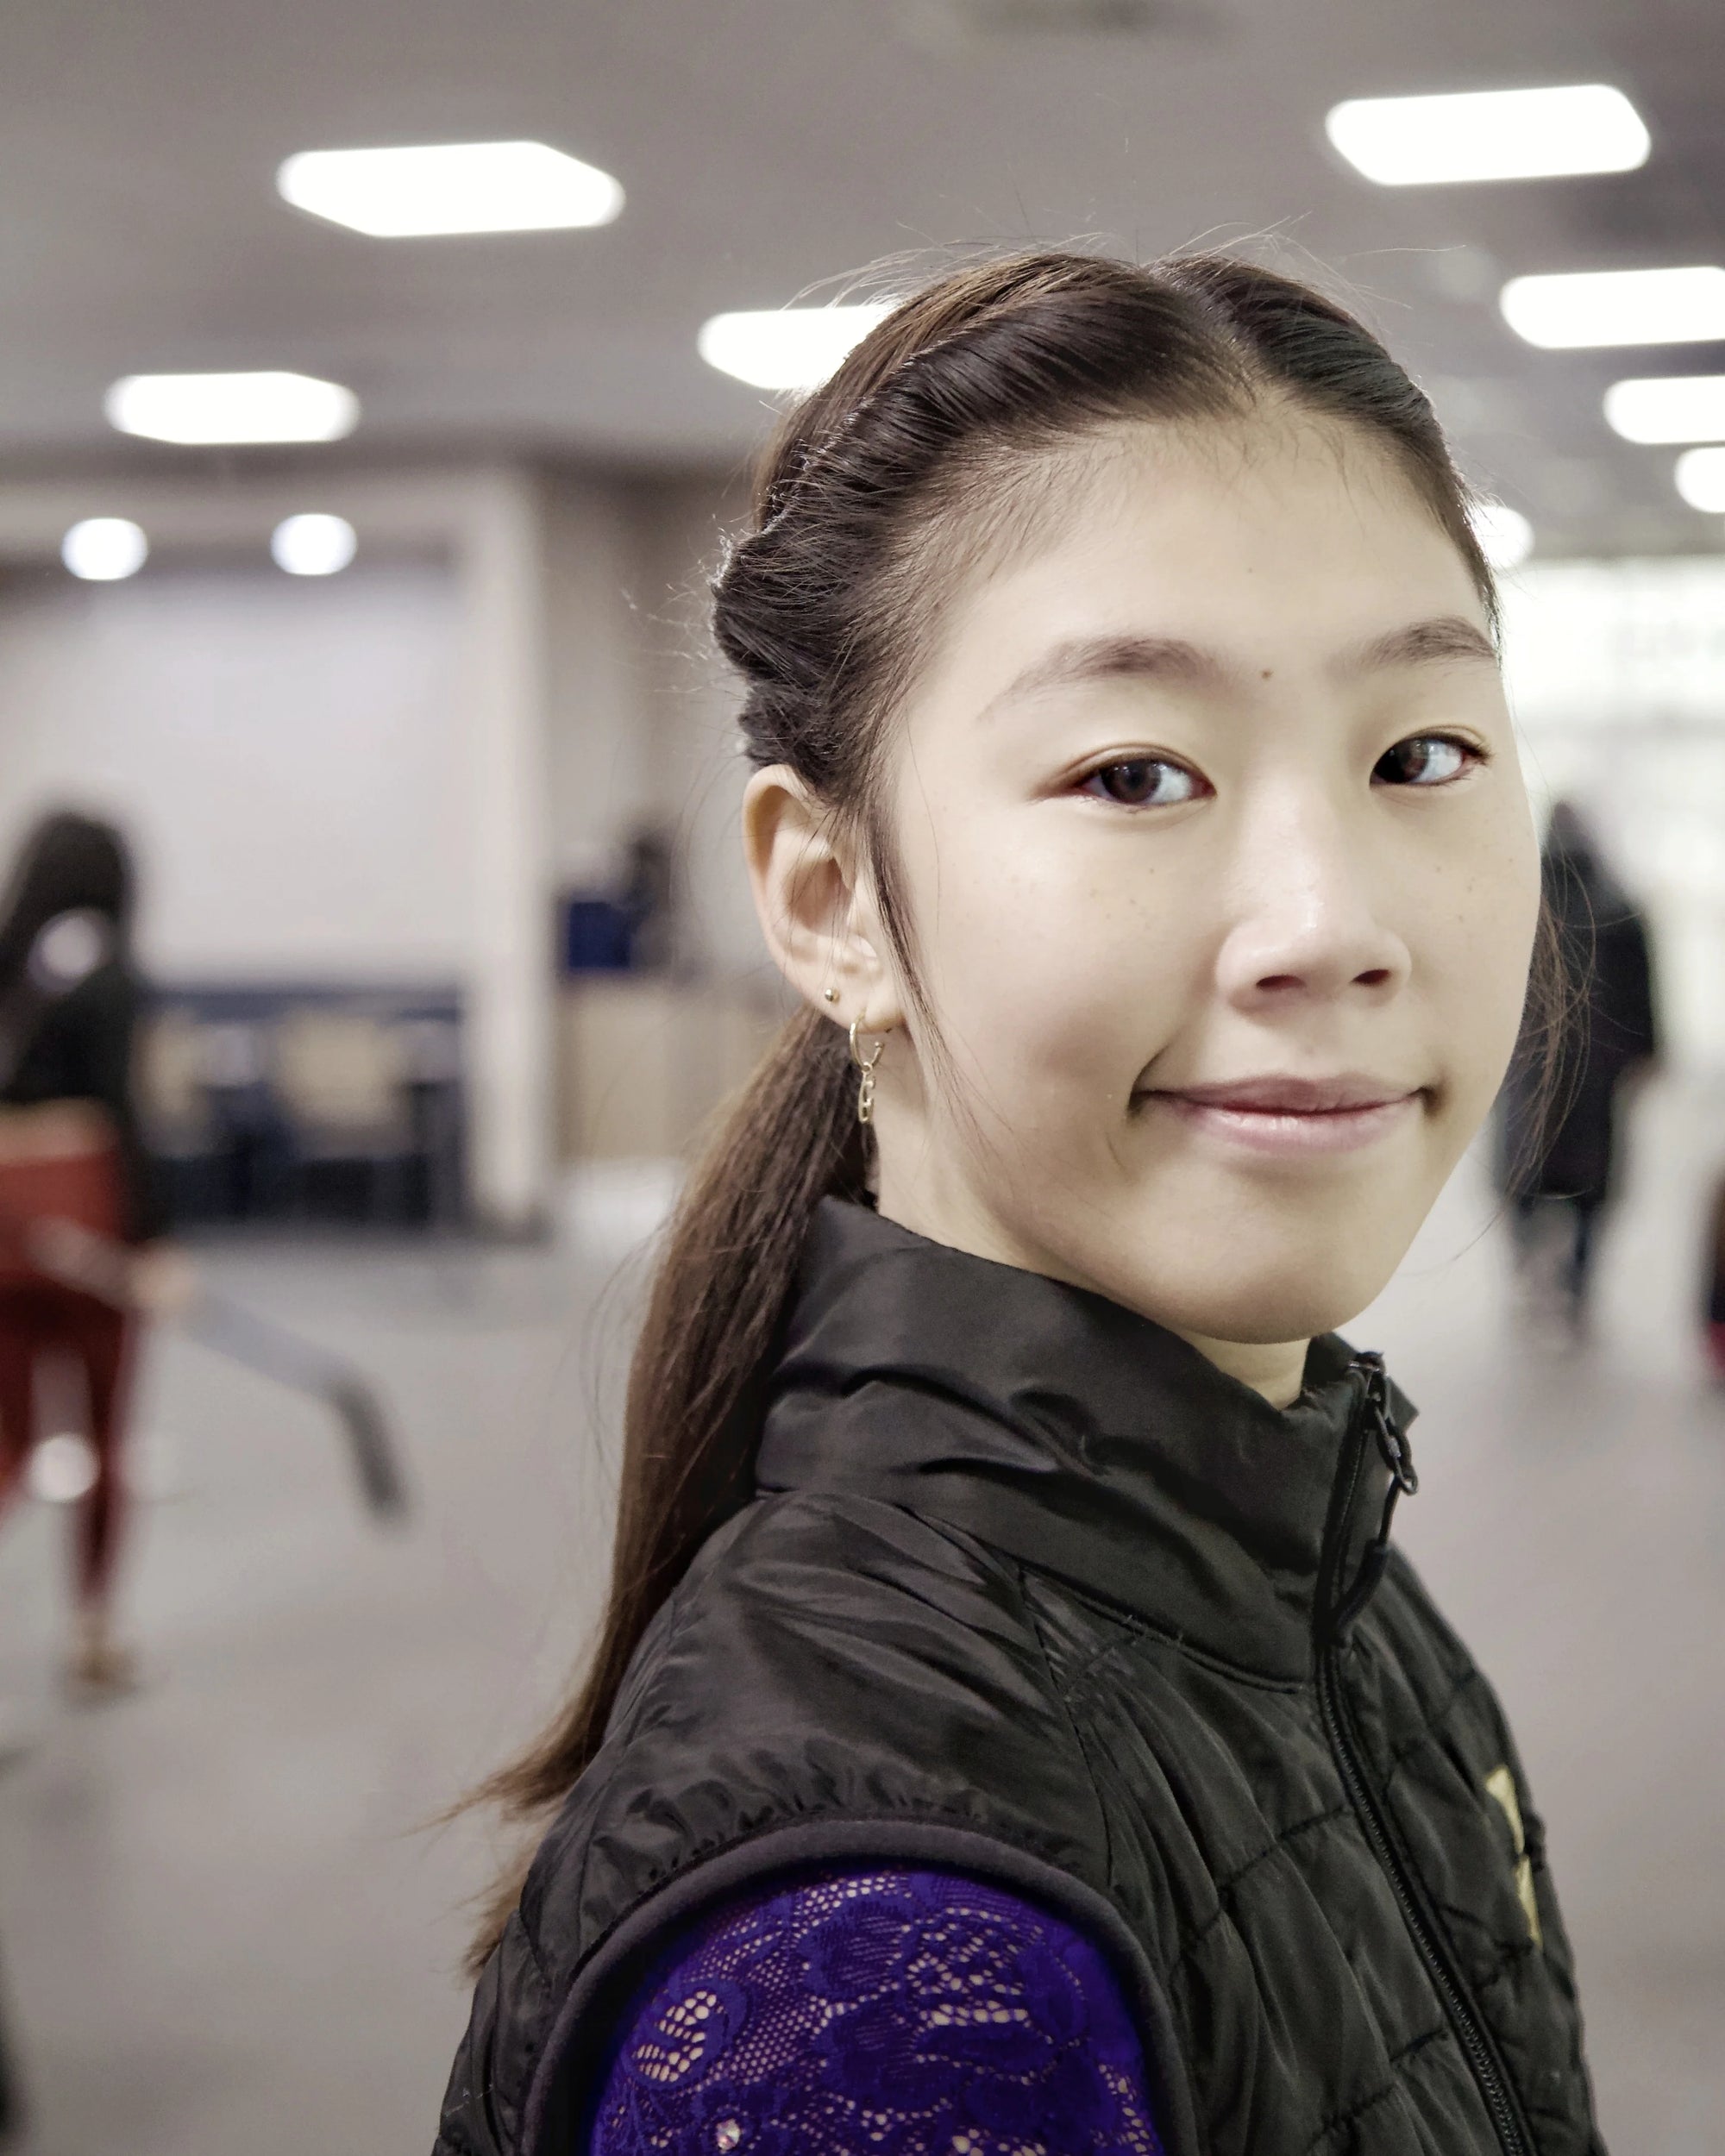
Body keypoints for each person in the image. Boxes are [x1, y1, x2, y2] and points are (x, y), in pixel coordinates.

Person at [436, 252, 1601, 2156]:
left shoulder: (1299, 1571)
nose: (1332, 924)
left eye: (1420, 753)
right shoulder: (882, 1973)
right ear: (829, 898)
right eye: (1136, 771)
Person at [0, 811, 179, 1695]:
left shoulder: (8, 964)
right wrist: (156, 1242)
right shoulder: (110, 975)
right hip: (89, 1226)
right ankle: (93, 1628)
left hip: (4, 1227)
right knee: (104, 1426)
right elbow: (123, 1110)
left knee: (6, 1437)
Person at [1500, 800, 1658, 1338]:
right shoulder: (1622, 907)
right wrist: (1649, 1054)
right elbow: (1646, 996)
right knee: (1592, 1188)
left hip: (1527, 1066)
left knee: (1522, 1176)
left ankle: (1530, 1265)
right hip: (1599, 1068)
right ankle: (1577, 1284)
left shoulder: (1520, 903)